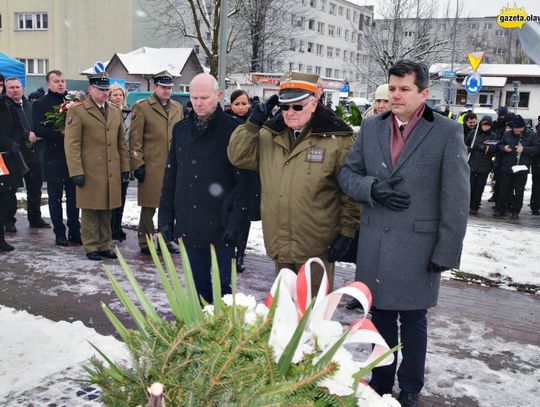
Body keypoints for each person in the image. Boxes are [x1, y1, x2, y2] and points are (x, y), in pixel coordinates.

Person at [337, 60, 469, 406]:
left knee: (413, 319)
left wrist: (447, 250)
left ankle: (410, 386)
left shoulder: (445, 131)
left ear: (423, 93)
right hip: (376, 245)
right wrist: (372, 188)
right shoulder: (371, 128)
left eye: (404, 89)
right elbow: (347, 177)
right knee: (379, 316)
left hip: (418, 247)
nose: (395, 95)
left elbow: (456, 197)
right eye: (392, 88)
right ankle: (381, 380)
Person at [228, 71, 361, 293]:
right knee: (285, 308)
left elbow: (349, 191)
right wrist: (252, 124)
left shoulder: (338, 139)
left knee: (313, 312)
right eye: (285, 106)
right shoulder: (270, 134)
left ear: (314, 104)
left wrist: (347, 231)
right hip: (280, 240)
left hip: (316, 244)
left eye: (297, 106)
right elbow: (238, 156)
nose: (290, 112)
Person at [158, 73, 248, 303]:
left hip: (222, 224)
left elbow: (245, 183)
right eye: (194, 97)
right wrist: (166, 218)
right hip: (190, 223)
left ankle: (224, 334)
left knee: (224, 291)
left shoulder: (234, 131)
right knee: (197, 285)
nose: (198, 103)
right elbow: (171, 176)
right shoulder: (181, 130)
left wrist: (236, 221)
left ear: (218, 96)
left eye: (204, 98)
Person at [64, 72, 130, 261]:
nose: (104, 93)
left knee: (107, 208)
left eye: (106, 90)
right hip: (90, 169)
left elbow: (121, 143)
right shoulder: (78, 110)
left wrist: (125, 167)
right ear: (91, 89)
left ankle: (105, 244)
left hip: (110, 169)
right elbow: (72, 144)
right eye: (100, 90)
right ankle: (91, 246)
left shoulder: (115, 110)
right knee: (91, 209)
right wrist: (76, 171)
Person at [130, 71, 184, 255]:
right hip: (151, 165)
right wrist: (138, 163)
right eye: (163, 87)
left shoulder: (177, 107)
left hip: (173, 165)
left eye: (169, 88)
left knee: (169, 205)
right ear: (155, 87)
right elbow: (135, 139)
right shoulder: (142, 107)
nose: (167, 91)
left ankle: (165, 240)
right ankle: (144, 241)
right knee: (149, 206)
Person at [32, 70, 81, 246]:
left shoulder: (73, 101)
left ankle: (75, 230)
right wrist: (60, 134)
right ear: (49, 84)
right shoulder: (40, 103)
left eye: (62, 80)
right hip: (53, 156)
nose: (60, 84)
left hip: (73, 157)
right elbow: (38, 128)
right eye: (56, 81)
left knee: (74, 197)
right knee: (55, 198)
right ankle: (59, 232)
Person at [4, 77, 50, 230]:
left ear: (22, 88)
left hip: (34, 153)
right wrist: (25, 135)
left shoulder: (31, 105)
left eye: (17, 87)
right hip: (13, 155)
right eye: (11, 88)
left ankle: (35, 218)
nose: (15, 90)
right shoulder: (4, 107)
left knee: (35, 188)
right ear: (6, 89)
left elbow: (38, 124)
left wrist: (40, 133)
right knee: (10, 191)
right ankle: (9, 221)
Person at [226, 89, 260, 273]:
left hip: (248, 177)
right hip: (229, 177)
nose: (241, 107)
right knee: (230, 214)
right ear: (230, 105)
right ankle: (229, 251)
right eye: (237, 104)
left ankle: (241, 254)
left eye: (244, 103)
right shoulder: (225, 122)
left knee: (244, 217)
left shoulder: (255, 123)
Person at [494, 115, 540, 218]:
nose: (516, 130)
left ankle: (515, 210)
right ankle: (501, 208)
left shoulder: (532, 135)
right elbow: (499, 145)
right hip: (507, 165)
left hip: (521, 167)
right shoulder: (507, 134)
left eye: (518, 128)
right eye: (514, 128)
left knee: (518, 190)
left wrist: (524, 149)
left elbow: (537, 148)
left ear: (523, 127)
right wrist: (503, 148)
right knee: (504, 189)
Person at [0, 91, 24, 251]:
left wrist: (14, 143)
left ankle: (1, 238)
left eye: (0, 84)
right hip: (5, 150)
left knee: (4, 197)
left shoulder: (7, 105)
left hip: (6, 158)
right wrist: (8, 143)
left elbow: (18, 126)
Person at [108, 84, 131, 241]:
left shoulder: (130, 113)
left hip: (127, 159)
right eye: (114, 95)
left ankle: (119, 225)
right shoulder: (107, 113)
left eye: (120, 95)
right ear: (109, 97)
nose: (118, 97)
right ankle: (111, 227)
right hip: (111, 159)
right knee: (112, 196)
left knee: (122, 195)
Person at [465, 116, 496, 214]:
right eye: (484, 125)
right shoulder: (473, 134)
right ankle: (467, 203)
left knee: (479, 187)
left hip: (484, 166)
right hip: (472, 164)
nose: (486, 127)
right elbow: (464, 144)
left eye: (488, 125)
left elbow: (493, 149)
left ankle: (475, 205)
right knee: (470, 186)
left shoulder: (493, 136)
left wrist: (481, 147)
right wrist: (468, 148)